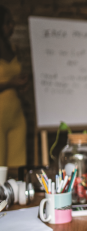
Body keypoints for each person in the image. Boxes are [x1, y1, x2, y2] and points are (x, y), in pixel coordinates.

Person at [0, 5, 28, 166]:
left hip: (16, 113)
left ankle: (15, 192)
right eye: (7, 23)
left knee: (17, 165)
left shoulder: (13, 49)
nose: (12, 26)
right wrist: (11, 83)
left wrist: (21, 85)